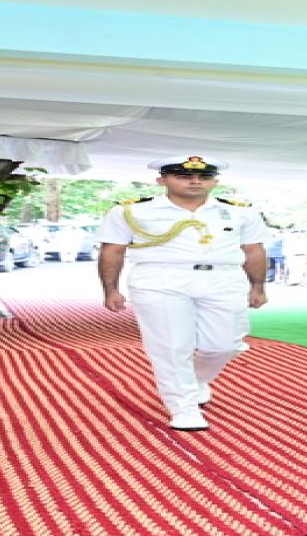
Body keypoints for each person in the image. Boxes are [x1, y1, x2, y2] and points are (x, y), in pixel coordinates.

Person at [95, 155, 269, 431]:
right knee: (171, 345)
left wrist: (258, 286)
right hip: (160, 277)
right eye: (184, 176)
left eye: (203, 177)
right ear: (161, 180)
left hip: (223, 278)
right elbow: (112, 250)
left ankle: (196, 379)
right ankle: (183, 406)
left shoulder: (240, 212)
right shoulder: (131, 212)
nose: (195, 181)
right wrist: (110, 289)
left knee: (225, 344)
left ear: (215, 181)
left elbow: (254, 250)